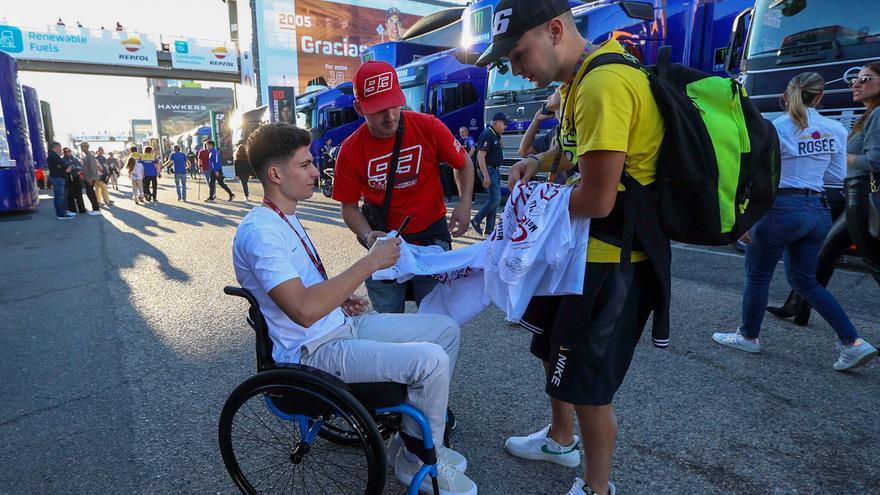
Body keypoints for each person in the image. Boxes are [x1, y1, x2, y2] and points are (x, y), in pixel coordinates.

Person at [478, 1, 672, 494]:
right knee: (551, 347)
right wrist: (540, 163)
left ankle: (596, 488)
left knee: (588, 385)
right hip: (578, 256)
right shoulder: (577, 81)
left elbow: (599, 198)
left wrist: (533, 211)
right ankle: (561, 441)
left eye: (518, 55)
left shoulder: (603, 85)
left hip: (610, 263)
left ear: (556, 29)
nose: (517, 73)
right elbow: (571, 149)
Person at [233, 122, 477, 495]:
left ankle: (408, 442)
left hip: (337, 325)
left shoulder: (285, 216)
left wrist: (340, 298)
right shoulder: (260, 232)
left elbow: (302, 291)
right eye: (306, 164)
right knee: (431, 360)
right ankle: (418, 461)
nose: (317, 171)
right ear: (275, 174)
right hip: (313, 351)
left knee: (445, 330)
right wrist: (370, 263)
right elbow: (302, 310)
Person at [712, 72, 878, 372]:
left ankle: (748, 335)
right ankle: (853, 342)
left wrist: (747, 216)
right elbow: (835, 176)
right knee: (806, 281)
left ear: (788, 95)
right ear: (820, 97)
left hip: (780, 208)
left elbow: (761, 177)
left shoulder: (778, 127)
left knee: (758, 275)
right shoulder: (835, 129)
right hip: (817, 210)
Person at [332, 60, 474, 313]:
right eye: (378, 110)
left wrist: (464, 204)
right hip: (385, 242)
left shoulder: (427, 126)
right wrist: (367, 235)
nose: (389, 116)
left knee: (436, 317)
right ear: (358, 107)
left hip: (431, 236)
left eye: (393, 104)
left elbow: (463, 163)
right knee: (390, 321)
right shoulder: (350, 150)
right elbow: (349, 207)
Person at [768, 62, 880, 325]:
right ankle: (797, 307)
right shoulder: (869, 114)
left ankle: (800, 308)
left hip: (863, 196)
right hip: (854, 194)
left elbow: (875, 161)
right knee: (825, 251)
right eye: (855, 79)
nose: (856, 83)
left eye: (865, 79)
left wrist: (840, 156)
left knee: (874, 263)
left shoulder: (878, 114)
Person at [470, 112, 507, 236]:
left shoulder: (494, 135)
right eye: (504, 123)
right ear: (497, 123)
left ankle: (490, 229)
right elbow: (480, 156)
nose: (505, 127)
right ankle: (476, 220)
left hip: (494, 169)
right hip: (489, 170)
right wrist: (486, 175)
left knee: (494, 198)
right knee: (495, 199)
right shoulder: (487, 135)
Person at [47, 142, 74, 220]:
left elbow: (61, 166)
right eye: (60, 147)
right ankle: (61, 214)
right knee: (59, 196)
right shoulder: (54, 156)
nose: (61, 149)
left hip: (57, 177)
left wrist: (64, 168)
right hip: (57, 178)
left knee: (59, 196)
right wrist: (66, 168)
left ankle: (62, 212)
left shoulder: (52, 155)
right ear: (56, 147)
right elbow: (63, 165)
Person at [79, 142, 103, 215]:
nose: (81, 148)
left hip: (89, 178)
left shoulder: (90, 155)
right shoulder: (87, 155)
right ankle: (95, 209)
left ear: (86, 147)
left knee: (90, 193)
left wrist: (91, 178)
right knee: (90, 193)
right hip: (88, 177)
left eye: (82, 146)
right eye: (81, 146)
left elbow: (93, 168)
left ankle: (96, 209)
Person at [62, 147, 86, 216]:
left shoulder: (75, 159)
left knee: (79, 194)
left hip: (76, 177)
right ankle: (73, 210)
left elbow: (81, 167)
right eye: (67, 151)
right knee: (70, 195)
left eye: (69, 151)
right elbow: (64, 170)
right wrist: (71, 169)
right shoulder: (63, 160)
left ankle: (82, 209)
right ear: (64, 152)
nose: (68, 152)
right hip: (69, 178)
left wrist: (76, 168)